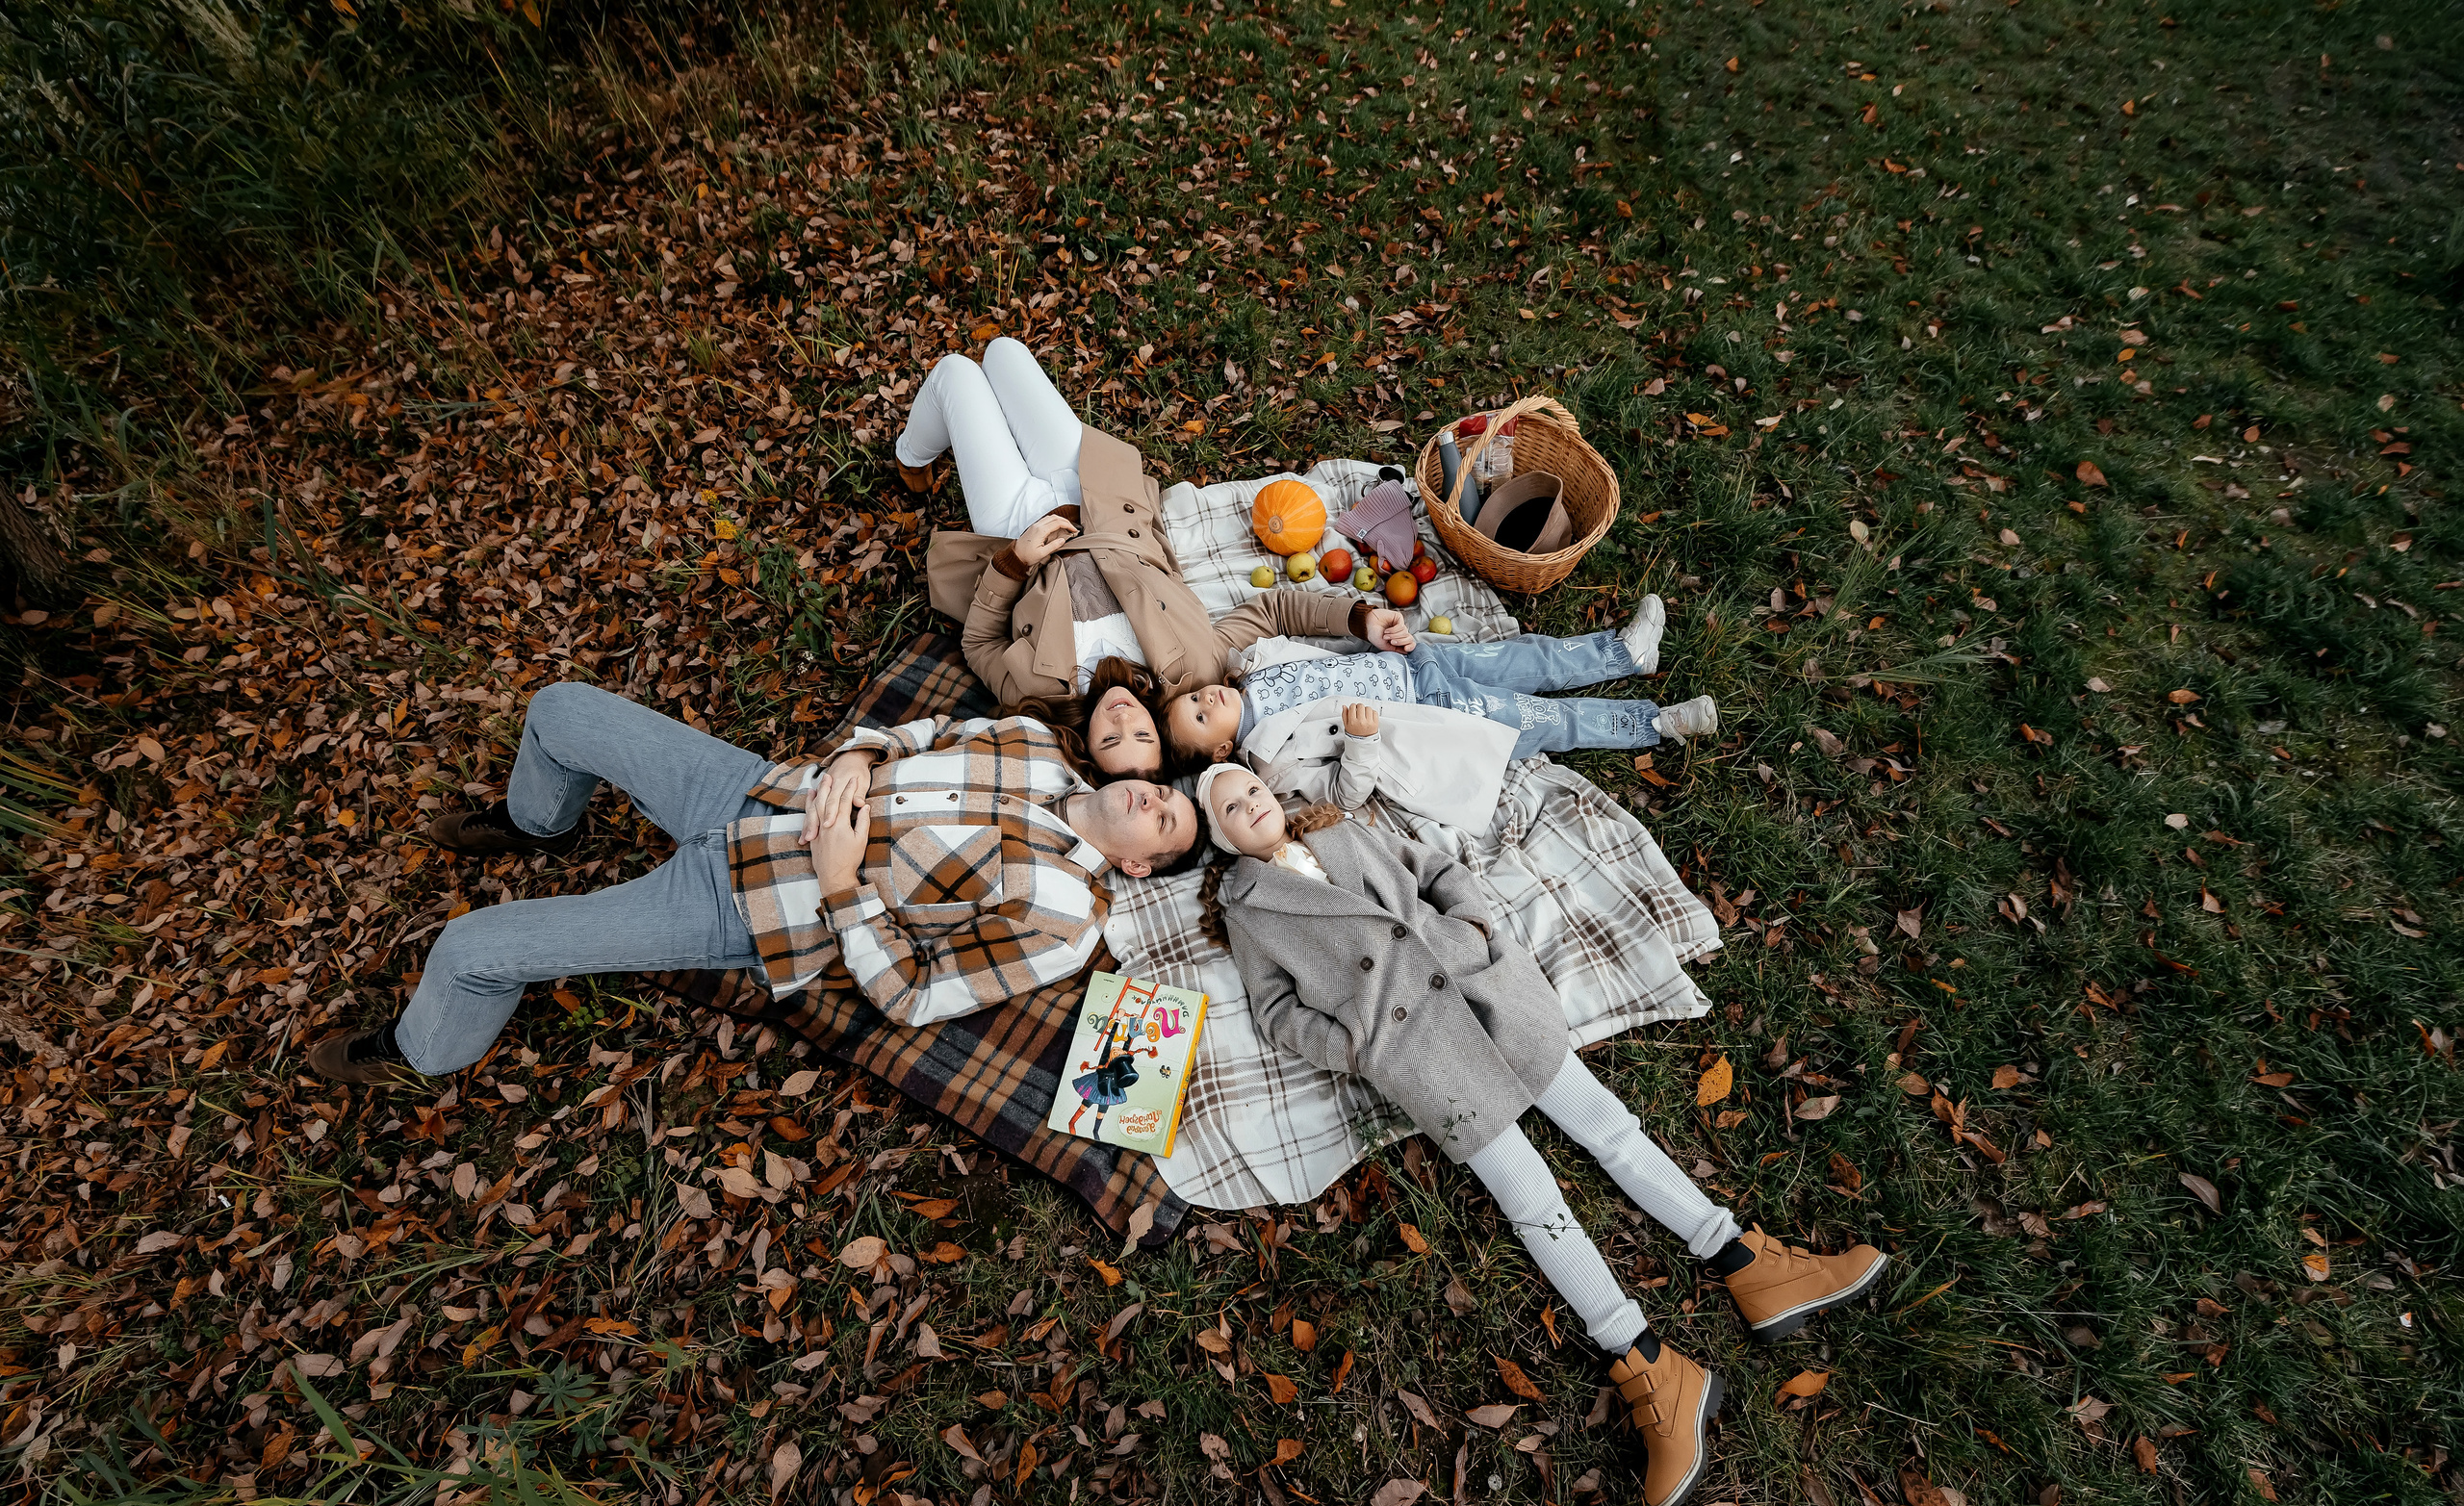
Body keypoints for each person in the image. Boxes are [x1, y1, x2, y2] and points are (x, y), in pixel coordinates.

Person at [1192, 765, 1886, 1506]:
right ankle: (1649, 1364)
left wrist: (1477, 927)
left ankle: (1749, 1261)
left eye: (1253, 788)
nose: (1252, 803)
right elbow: (1273, 1012)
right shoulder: (1250, 910)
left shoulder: (1342, 828)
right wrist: (1356, 1046)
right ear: (1220, 834)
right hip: (1415, 1051)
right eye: (1231, 804)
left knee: (1612, 1130)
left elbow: (1438, 868)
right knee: (1532, 1200)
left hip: (1484, 991)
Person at [304, 682, 1202, 1085]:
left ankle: (421, 1052)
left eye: (1162, 821)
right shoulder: (1038, 745)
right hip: (758, 786)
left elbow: (919, 997)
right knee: (559, 709)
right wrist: (858, 753)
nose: (1148, 797)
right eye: (1164, 790)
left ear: (1136, 865)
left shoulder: (1065, 919)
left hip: (751, 903)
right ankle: (540, 823)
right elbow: (918, 732)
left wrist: (844, 883)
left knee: (469, 950)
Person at [907, 337, 1419, 777]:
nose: (1124, 717)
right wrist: (1362, 620)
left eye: (1109, 739)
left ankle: (909, 456)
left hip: (1015, 524)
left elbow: (978, 642)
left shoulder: (1038, 697)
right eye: (1142, 735)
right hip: (1097, 497)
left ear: (1085, 745)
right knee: (1004, 352)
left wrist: (1015, 562)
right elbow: (1274, 611)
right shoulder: (1196, 670)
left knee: (956, 374)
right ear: (1158, 731)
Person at [1162, 602, 1718, 817]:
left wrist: (1385, 639)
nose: (1206, 699)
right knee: (1542, 720)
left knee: (1525, 657)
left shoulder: (1256, 665)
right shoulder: (1272, 760)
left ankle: (1624, 652)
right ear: (1222, 749)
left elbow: (1331, 655)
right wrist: (1362, 742)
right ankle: (1654, 723)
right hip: (1432, 710)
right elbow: (1343, 795)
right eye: (1203, 716)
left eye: (1195, 698)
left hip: (1418, 663)